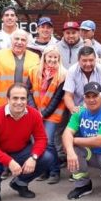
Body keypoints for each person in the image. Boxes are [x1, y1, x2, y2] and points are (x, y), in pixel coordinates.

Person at [0, 83, 53, 201]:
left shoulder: (34, 114)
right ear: (8, 99)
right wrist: (9, 162)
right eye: (15, 98)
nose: (19, 102)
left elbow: (41, 139)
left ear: (26, 100)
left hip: (21, 150)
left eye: (23, 98)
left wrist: (33, 158)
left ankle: (20, 184)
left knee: (47, 157)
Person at [27, 45, 67, 185]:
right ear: (45, 57)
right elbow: (28, 91)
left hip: (52, 113)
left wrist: (42, 114)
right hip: (35, 111)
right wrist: (33, 110)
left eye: (55, 57)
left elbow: (57, 98)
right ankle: (43, 170)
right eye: (50, 56)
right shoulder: (33, 71)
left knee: (48, 142)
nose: (52, 59)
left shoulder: (63, 75)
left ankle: (55, 171)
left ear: (59, 58)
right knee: (38, 142)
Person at [0, 29, 39, 110]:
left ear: (27, 43)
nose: (19, 42)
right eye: (16, 39)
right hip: (2, 103)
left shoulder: (35, 57)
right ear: (11, 40)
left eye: (23, 40)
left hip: (26, 103)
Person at [63, 46, 101, 113]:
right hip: (80, 110)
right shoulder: (72, 71)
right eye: (84, 61)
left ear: (95, 59)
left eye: (91, 60)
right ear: (78, 60)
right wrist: (72, 108)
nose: (88, 64)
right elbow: (68, 96)